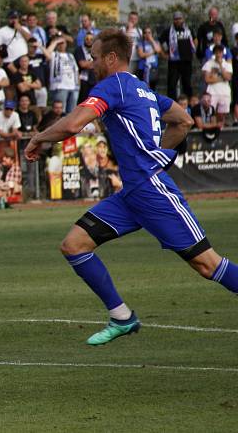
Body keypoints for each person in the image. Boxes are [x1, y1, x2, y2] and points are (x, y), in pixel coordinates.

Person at [24, 29, 238, 346]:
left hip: (151, 191)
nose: (90, 63)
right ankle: (122, 317)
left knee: (207, 265)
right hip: (133, 194)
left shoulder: (114, 86)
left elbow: (72, 124)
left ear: (111, 59)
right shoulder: (143, 90)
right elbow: (184, 120)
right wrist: (155, 157)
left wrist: (39, 138)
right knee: (74, 245)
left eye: (95, 57)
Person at [159, 11, 196, 101]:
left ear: (183, 19)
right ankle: (172, 104)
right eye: (176, 19)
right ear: (173, 20)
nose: (178, 21)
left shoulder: (189, 29)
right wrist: (163, 54)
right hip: (173, 62)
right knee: (172, 85)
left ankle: (189, 105)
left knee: (187, 84)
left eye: (179, 18)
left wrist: (193, 50)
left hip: (186, 60)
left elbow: (195, 39)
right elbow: (160, 42)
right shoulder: (168, 31)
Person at [44, 35, 79, 114]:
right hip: (60, 86)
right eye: (59, 43)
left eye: (63, 43)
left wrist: (78, 86)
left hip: (73, 86)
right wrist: (55, 42)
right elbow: (46, 53)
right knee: (60, 112)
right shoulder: (54, 54)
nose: (61, 45)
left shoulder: (70, 55)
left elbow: (76, 71)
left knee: (72, 113)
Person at [201, 44, 233, 124]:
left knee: (222, 115)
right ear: (214, 53)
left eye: (220, 52)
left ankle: (221, 129)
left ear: (222, 53)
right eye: (216, 52)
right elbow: (207, 79)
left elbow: (228, 78)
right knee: (211, 112)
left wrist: (220, 66)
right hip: (212, 92)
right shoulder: (209, 64)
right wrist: (221, 79)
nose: (218, 54)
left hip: (224, 92)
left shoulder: (227, 65)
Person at [75, 32, 97, 101]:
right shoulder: (79, 49)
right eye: (87, 39)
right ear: (84, 40)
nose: (89, 41)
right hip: (83, 80)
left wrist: (89, 64)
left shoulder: (97, 50)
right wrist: (95, 63)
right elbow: (82, 64)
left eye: (91, 39)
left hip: (94, 80)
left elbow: (101, 64)